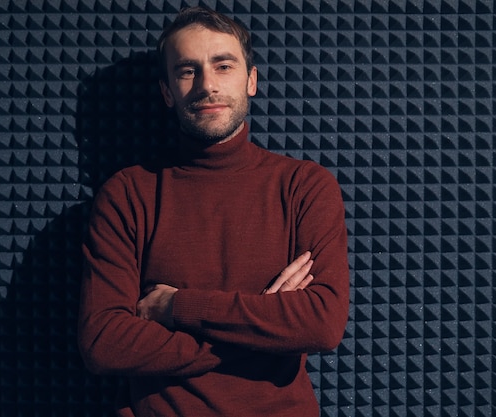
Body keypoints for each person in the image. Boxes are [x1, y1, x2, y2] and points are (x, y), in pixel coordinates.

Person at [78, 5, 349, 417]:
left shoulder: (304, 187)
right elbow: (103, 342)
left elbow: (321, 323)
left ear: (251, 80)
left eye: (223, 66)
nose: (207, 85)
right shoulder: (128, 194)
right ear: (167, 91)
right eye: (187, 70)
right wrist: (264, 333)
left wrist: (175, 309)